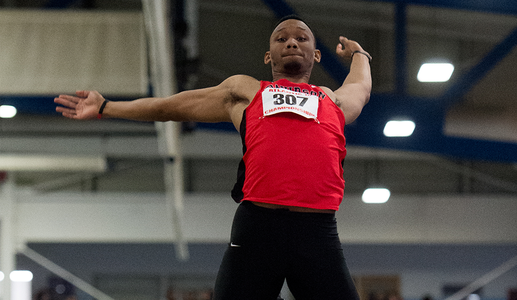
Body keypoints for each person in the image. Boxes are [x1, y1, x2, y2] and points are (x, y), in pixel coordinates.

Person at [55, 15, 371, 300]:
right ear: (268, 55)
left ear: (316, 55)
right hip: (259, 229)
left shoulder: (332, 101)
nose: (291, 41)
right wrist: (107, 106)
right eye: (281, 38)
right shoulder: (246, 92)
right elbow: (170, 107)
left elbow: (359, 86)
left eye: (302, 38)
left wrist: (360, 54)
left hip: (316, 232)